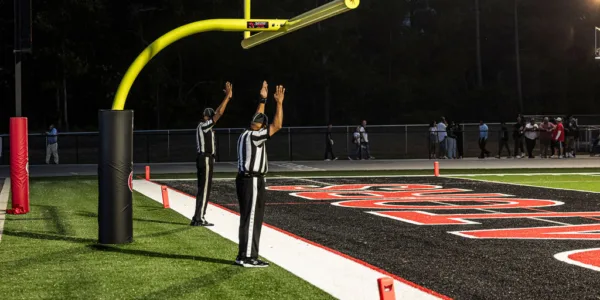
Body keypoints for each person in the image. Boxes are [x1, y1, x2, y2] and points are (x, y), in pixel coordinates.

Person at [235, 81, 285, 268]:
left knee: (248, 218)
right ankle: (247, 257)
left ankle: (245, 254)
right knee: (252, 218)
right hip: (252, 180)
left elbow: (258, 117)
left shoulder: (245, 134)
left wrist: (263, 99)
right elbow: (277, 125)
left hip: (245, 179)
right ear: (262, 126)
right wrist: (279, 103)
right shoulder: (256, 137)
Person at [191, 82, 233, 227]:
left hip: (203, 158)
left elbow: (216, 113)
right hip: (206, 158)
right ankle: (199, 218)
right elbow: (219, 113)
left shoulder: (202, 126)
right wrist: (227, 97)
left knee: (203, 188)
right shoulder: (204, 126)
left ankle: (197, 216)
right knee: (205, 189)